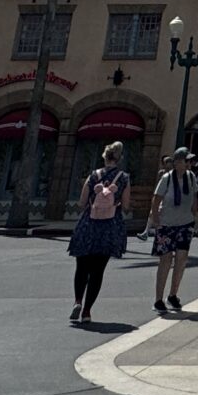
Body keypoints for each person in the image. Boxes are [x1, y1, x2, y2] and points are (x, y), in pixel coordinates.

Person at [68, 139, 132, 324]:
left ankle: (77, 301)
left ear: (104, 157)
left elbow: (81, 203)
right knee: (98, 270)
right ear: (118, 159)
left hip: (89, 224)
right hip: (109, 226)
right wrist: (117, 202)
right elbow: (126, 206)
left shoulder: (93, 176)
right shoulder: (124, 178)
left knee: (82, 267)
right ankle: (87, 311)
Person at [149, 147, 198, 314]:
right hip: (167, 223)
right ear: (178, 162)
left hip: (185, 223)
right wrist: (156, 221)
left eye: (190, 161)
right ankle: (158, 298)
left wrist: (196, 217)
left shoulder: (191, 177)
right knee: (166, 259)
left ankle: (173, 294)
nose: (189, 164)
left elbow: (194, 197)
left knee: (181, 258)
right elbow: (156, 200)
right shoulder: (167, 178)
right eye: (187, 161)